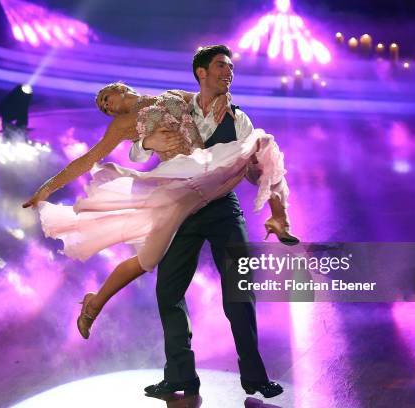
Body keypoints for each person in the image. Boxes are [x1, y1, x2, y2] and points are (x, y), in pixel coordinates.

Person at [22, 45, 296, 399]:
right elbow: (88, 159)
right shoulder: (126, 125)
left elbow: (237, 158)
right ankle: (180, 375)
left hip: (220, 206)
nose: (107, 104)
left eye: (108, 96)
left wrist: (259, 185)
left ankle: (255, 377)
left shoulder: (203, 105)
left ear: (122, 87)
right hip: (179, 204)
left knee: (239, 292)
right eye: (103, 106)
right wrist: (47, 187)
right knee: (168, 291)